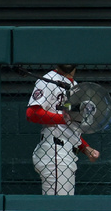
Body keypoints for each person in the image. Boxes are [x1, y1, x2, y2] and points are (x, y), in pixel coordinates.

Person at [26, 64, 100, 195]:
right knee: (56, 209)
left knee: (62, 209)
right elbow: (32, 113)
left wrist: (85, 148)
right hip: (54, 152)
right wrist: (65, 118)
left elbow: (68, 127)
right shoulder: (48, 79)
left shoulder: (75, 85)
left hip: (67, 154)